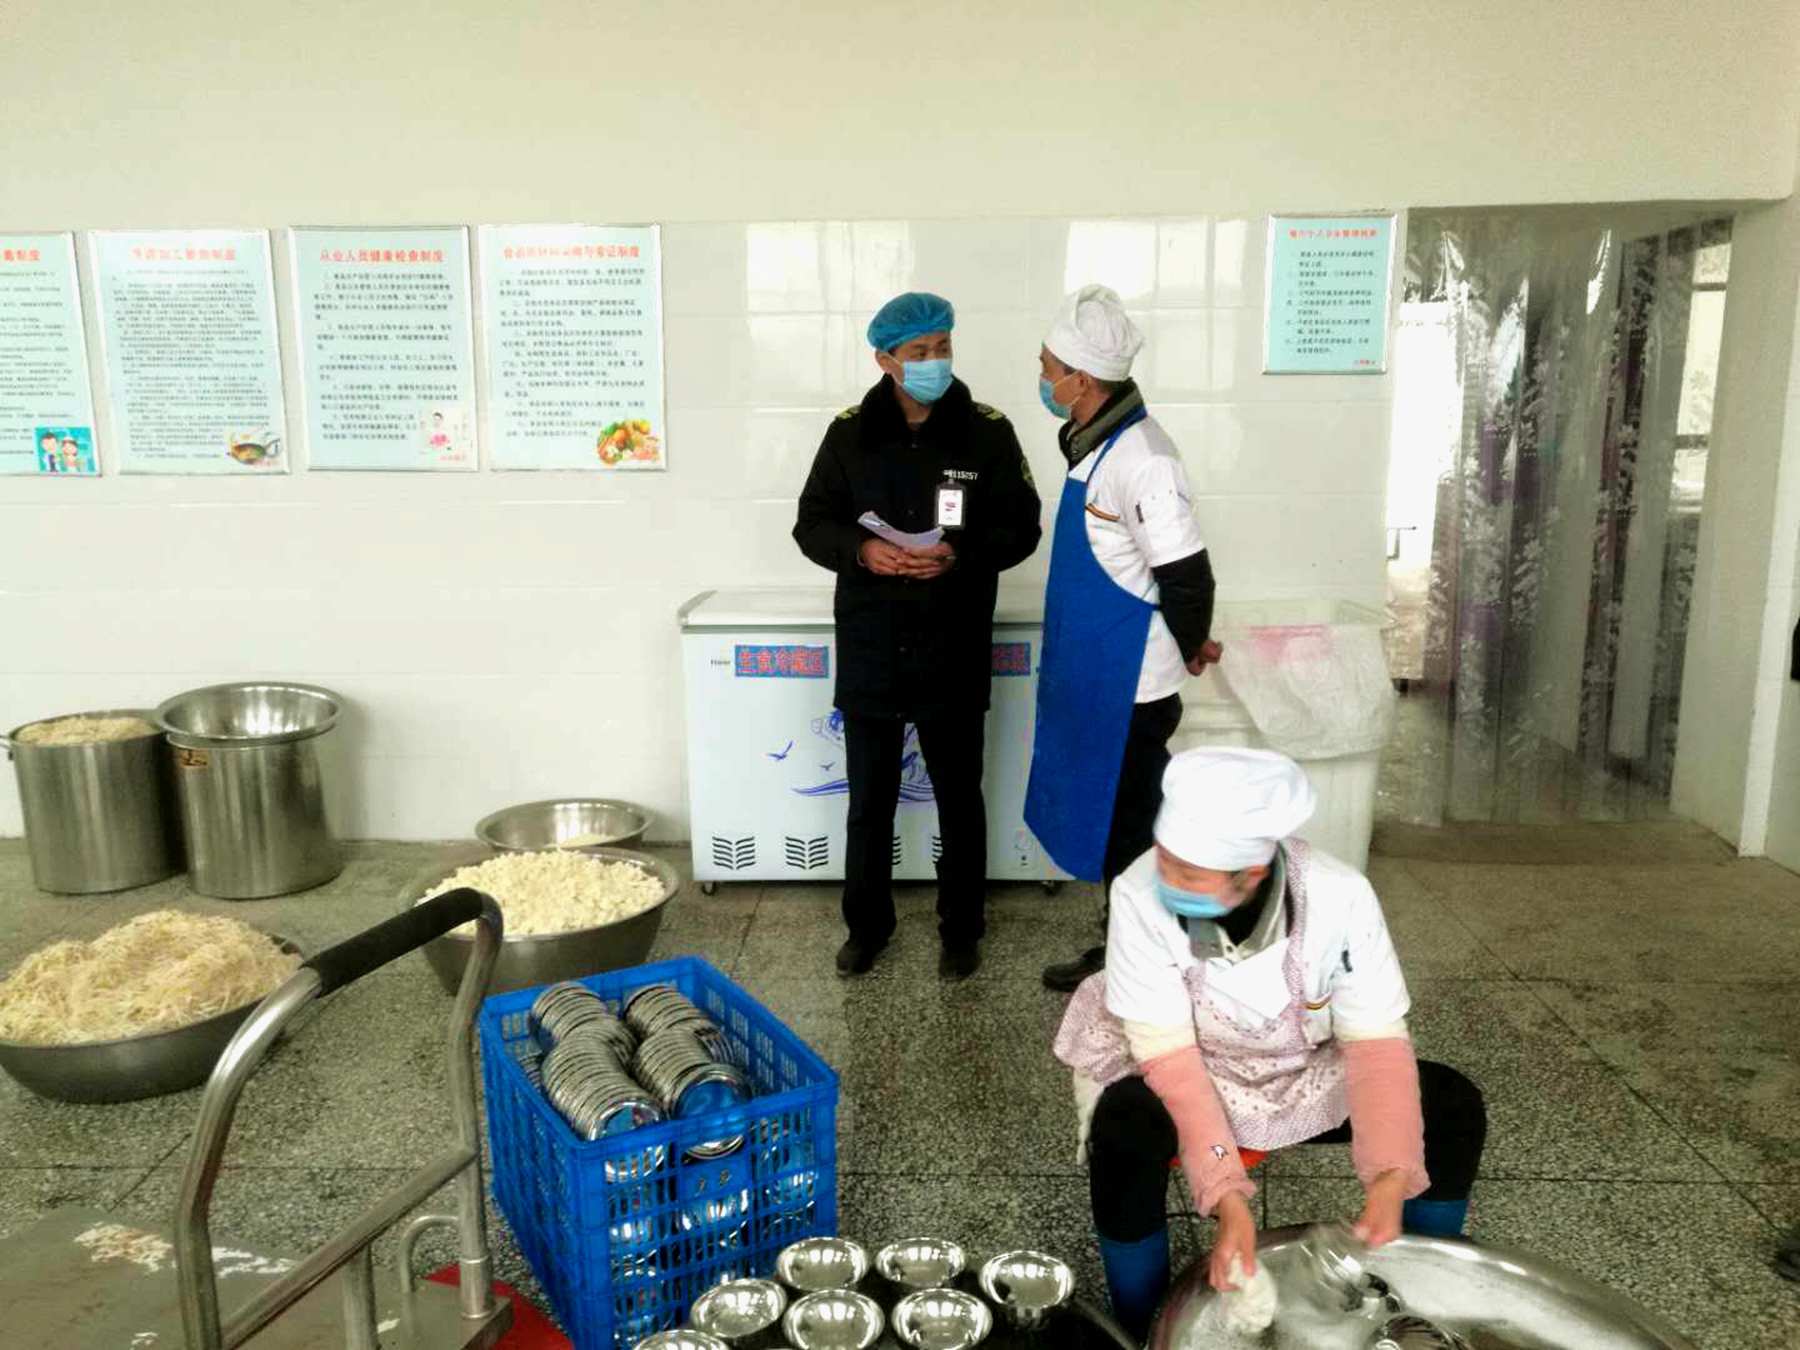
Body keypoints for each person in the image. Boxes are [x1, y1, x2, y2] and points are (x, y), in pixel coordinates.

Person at [1052, 747, 1487, 1341]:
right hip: (1194, 1061)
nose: (1167, 882)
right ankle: (1142, 1321)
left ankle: (1424, 1285)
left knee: (1453, 1103)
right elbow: (1170, 1058)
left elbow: (1375, 1043)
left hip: (1303, 1064)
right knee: (1123, 1127)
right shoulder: (1137, 891)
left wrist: (1390, 1175)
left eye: (1189, 876)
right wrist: (1228, 1201)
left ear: (1252, 873)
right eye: (1165, 861)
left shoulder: (1340, 897)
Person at [793, 292, 1042, 980]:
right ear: (886, 360)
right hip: (873, 644)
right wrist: (861, 550)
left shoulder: (987, 432)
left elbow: (1021, 526)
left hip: (951, 641)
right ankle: (866, 928)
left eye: (943, 346)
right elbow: (811, 523)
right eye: (919, 351)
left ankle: (961, 930)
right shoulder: (849, 434)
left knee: (959, 798)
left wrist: (960, 554)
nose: (936, 360)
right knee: (869, 802)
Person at [1024, 284, 1221, 993]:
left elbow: (1186, 573)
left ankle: (1144, 963)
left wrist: (1192, 644)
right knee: (1113, 824)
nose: (1042, 376)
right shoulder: (1097, 445)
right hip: (1098, 674)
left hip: (1131, 684)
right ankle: (1126, 947)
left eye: (1049, 367)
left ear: (1081, 379)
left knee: (1132, 826)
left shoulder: (1145, 458)